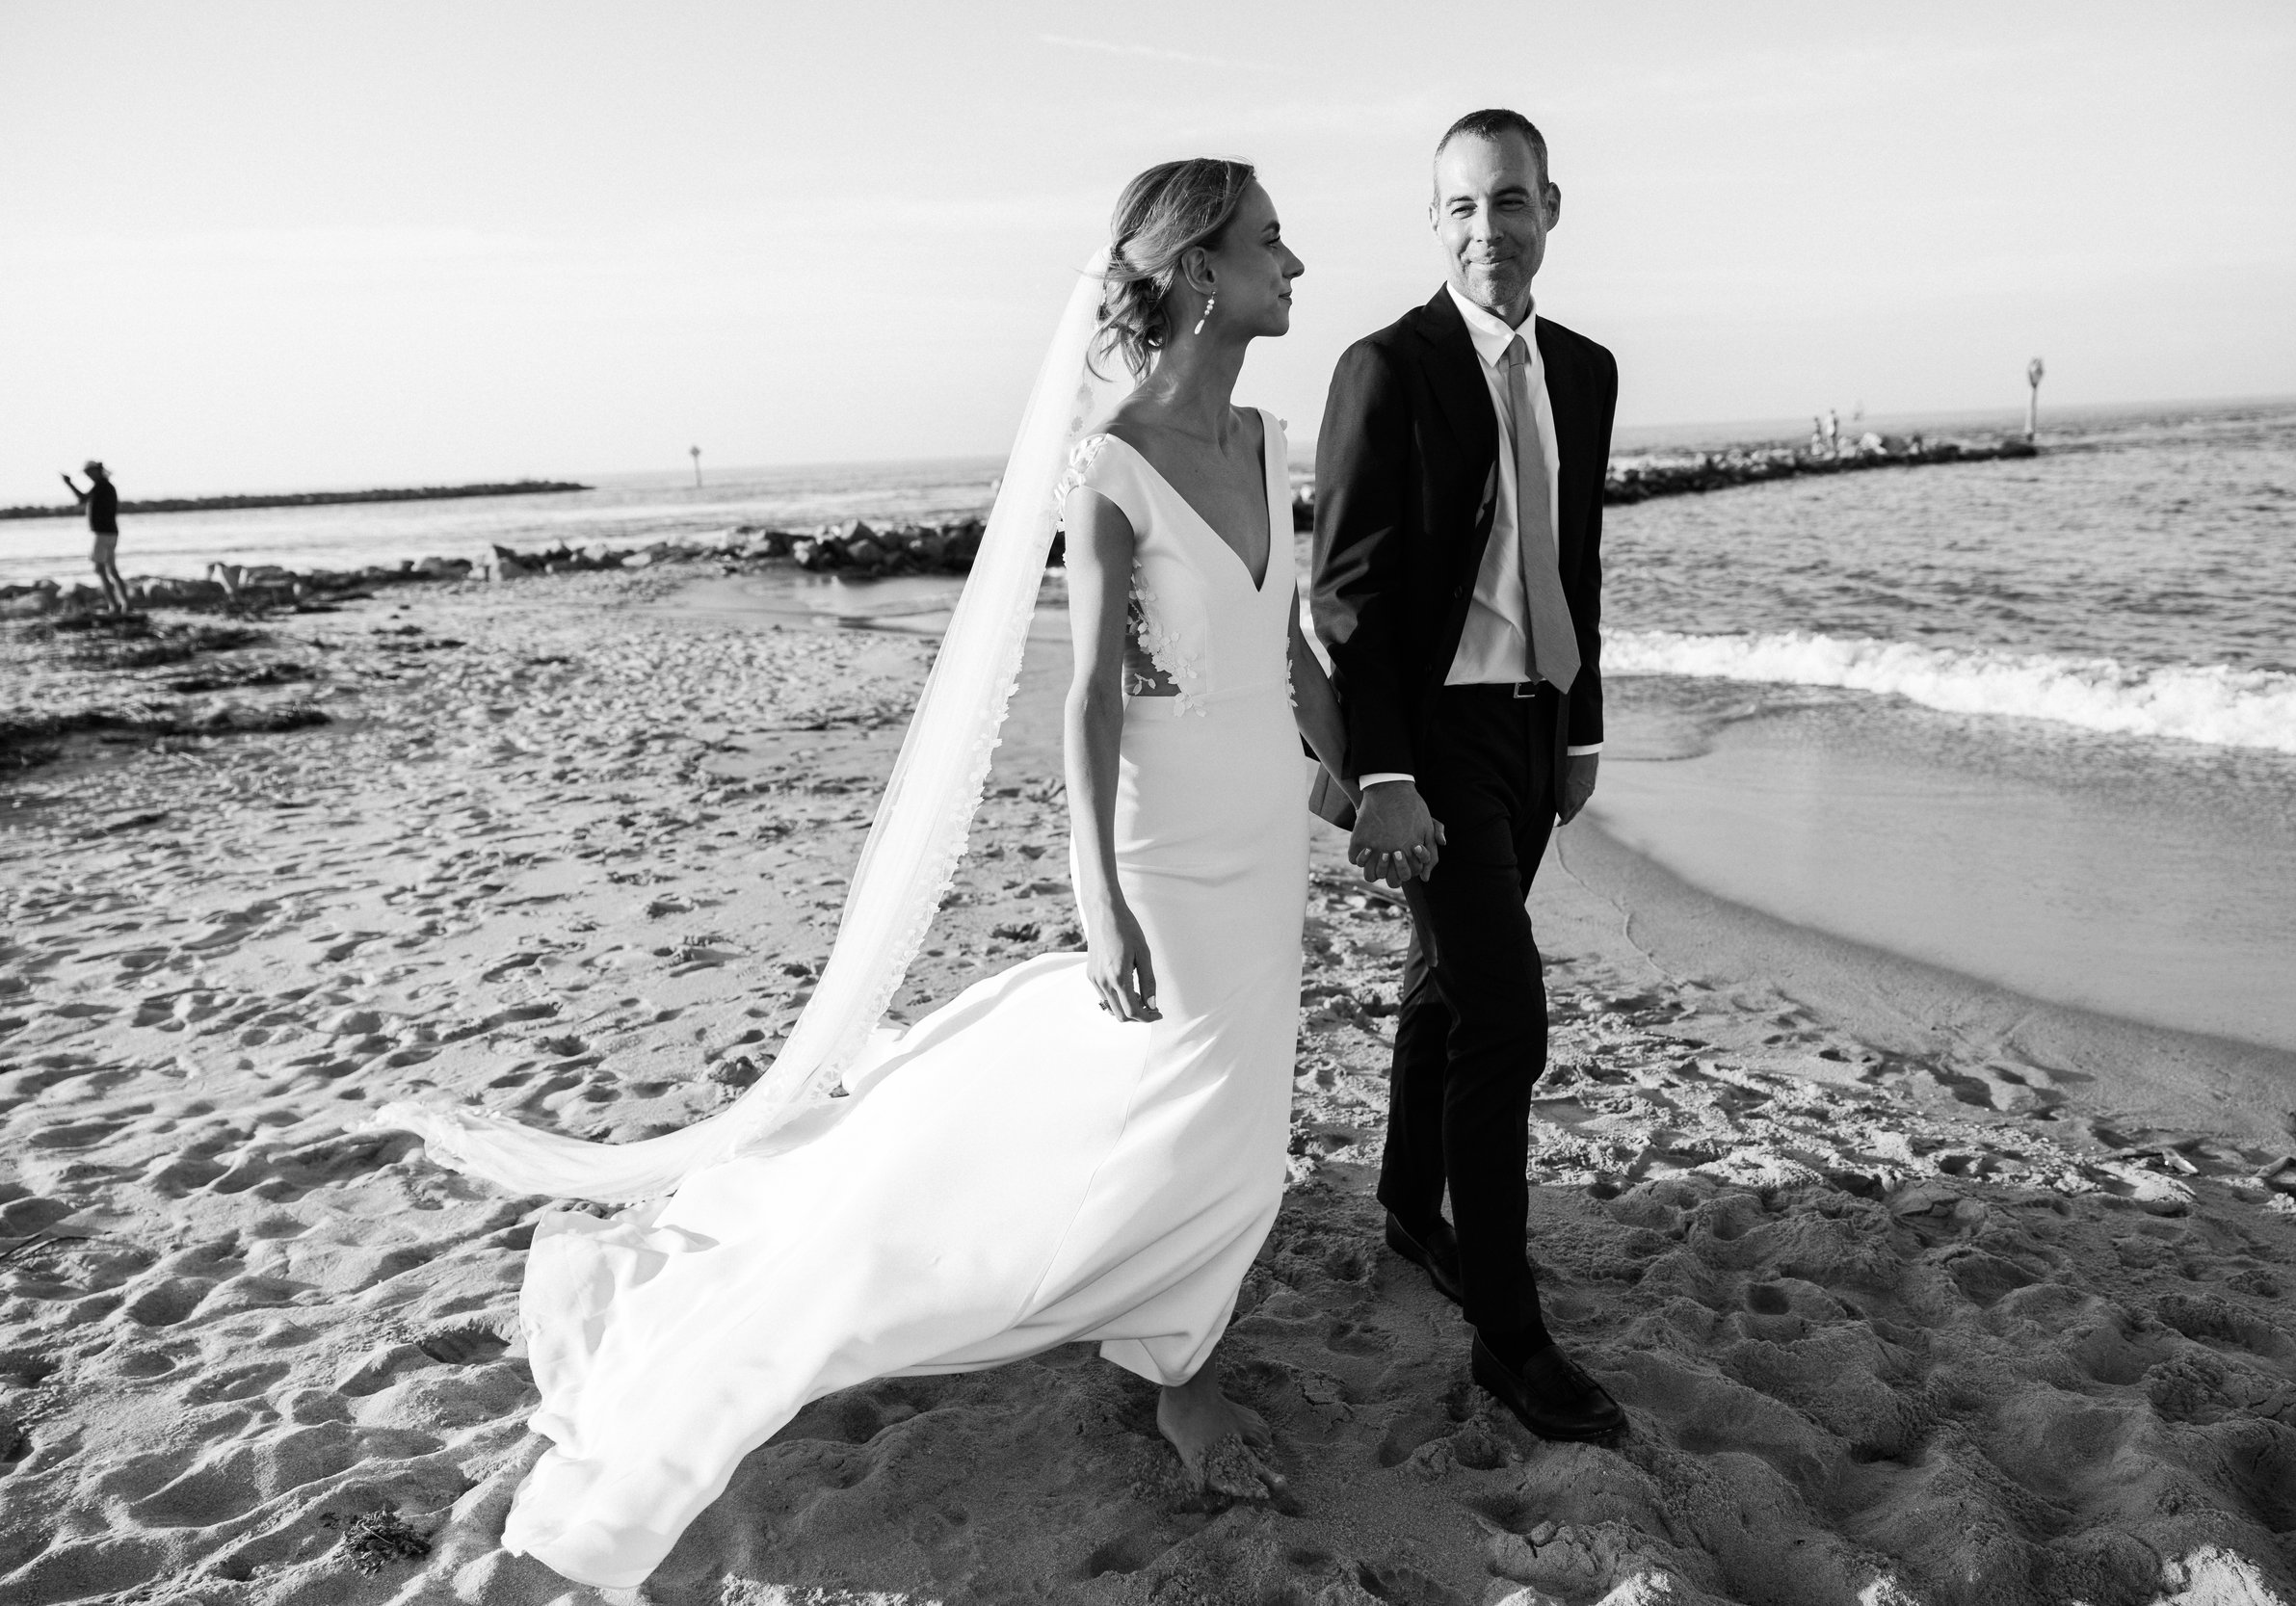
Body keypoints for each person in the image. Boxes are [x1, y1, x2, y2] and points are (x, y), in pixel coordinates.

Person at [369, 158, 1410, 1591]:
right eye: (1271, 242)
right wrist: (1098, 894)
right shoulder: (1110, 460)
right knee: (1184, 1097)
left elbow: (1283, 634)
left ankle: (1182, 1360)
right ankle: (1088, 1330)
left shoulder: (1264, 432)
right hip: (1166, 832)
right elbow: (1090, 698)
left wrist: (1349, 766)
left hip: (1264, 820)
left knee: (1239, 1114)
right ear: (1199, 275)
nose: (1297, 265)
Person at [1309, 109, 1628, 1444]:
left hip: (1535, 727)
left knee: (1450, 983)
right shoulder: (1386, 366)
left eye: (1508, 202)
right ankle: (1509, 1334)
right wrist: (1381, 771)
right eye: (1458, 207)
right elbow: (1347, 595)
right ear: (1433, 221)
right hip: (1429, 740)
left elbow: (1578, 559)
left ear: (1552, 206)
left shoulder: (1592, 369)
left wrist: (1586, 728)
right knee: (1509, 1019)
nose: (1485, 229)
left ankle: (1403, 1198)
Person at [61, 460, 130, 613]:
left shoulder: (101, 486)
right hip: (111, 532)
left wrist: (69, 483)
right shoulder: (106, 486)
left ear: (96, 471)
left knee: (100, 569)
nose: (87, 476)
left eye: (88, 473)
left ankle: (114, 605)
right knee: (112, 570)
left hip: (101, 533)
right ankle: (124, 603)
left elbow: (82, 499)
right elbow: (84, 500)